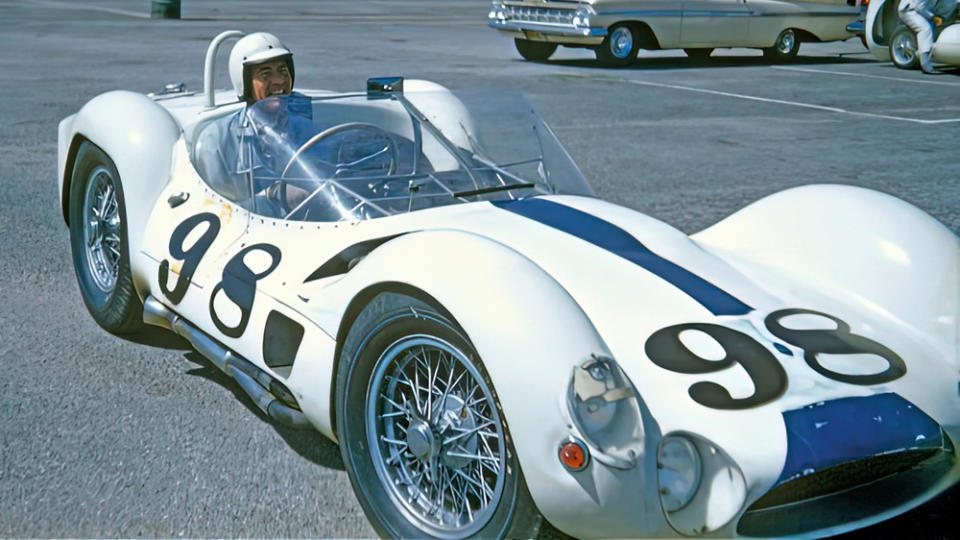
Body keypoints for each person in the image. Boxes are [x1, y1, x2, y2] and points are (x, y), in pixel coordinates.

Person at [195, 32, 322, 216]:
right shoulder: (217, 141)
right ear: (244, 82)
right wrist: (269, 198)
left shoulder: (305, 130)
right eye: (266, 74)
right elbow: (211, 211)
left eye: (283, 71)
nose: (279, 80)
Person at [898, 0, 957, 74]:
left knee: (933, 29)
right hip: (910, 11)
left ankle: (931, 53)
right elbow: (919, 7)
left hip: (925, 10)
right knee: (925, 29)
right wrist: (933, 17)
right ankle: (925, 64)